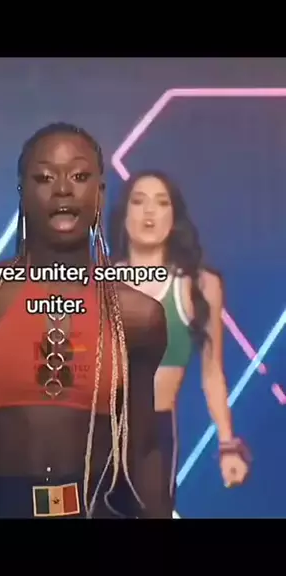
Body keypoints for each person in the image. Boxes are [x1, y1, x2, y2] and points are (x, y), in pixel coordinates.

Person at [0, 123, 173, 519]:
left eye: (79, 176)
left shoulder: (137, 317)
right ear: (22, 193)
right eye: (44, 177)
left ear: (100, 193)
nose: (62, 189)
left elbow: (144, 447)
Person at [109, 170, 250, 507]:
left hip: (155, 438)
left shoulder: (201, 287)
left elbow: (212, 373)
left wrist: (227, 444)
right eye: (138, 201)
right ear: (124, 214)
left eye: (161, 203)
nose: (149, 211)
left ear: (174, 218)